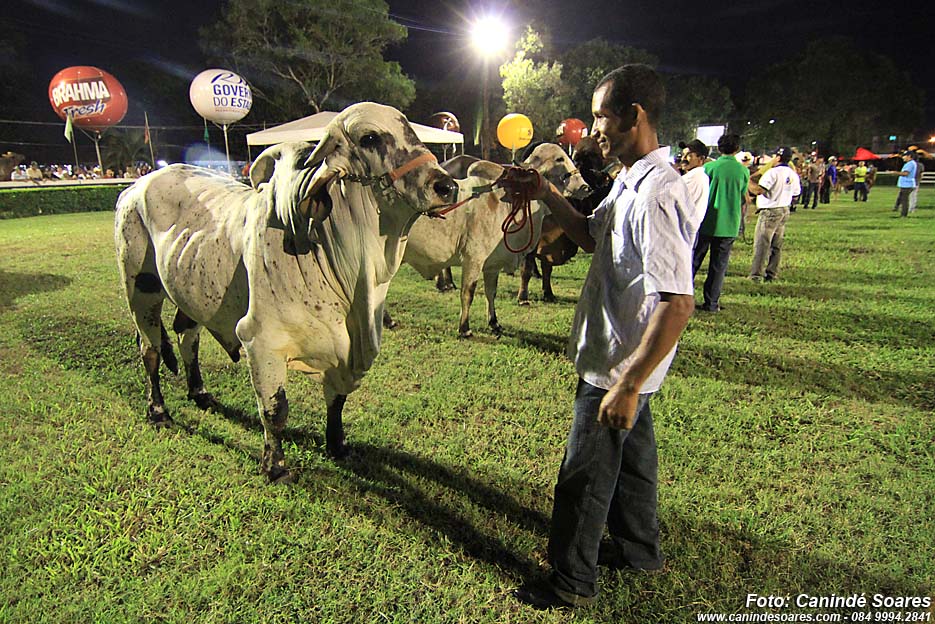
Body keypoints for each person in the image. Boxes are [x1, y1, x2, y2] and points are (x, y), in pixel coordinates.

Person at [510, 63, 696, 610]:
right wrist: (545, 191)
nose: (593, 129)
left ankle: (570, 581)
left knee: (584, 476)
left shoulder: (655, 194)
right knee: (633, 463)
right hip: (622, 358)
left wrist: (628, 384)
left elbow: (679, 302)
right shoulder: (631, 181)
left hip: (618, 364)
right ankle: (639, 549)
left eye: (600, 117)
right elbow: (590, 237)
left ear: (633, 116)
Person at [692, 133, 749, 313]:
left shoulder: (709, 168)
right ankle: (711, 303)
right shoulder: (743, 171)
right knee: (718, 267)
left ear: (718, 148)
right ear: (737, 149)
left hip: (706, 221)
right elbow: (743, 196)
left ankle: (681, 297)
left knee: (693, 262)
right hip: (729, 224)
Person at [747, 147, 801, 282]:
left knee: (762, 243)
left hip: (770, 210)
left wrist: (747, 181)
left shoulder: (772, 173)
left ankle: (756, 275)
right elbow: (796, 194)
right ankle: (772, 273)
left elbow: (759, 190)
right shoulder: (792, 174)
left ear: (778, 157)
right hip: (784, 209)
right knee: (776, 245)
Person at [678, 139, 711, 226]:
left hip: (683, 229)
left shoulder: (694, 178)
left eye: (689, 155)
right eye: (683, 155)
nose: (683, 159)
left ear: (701, 159)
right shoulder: (700, 176)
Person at [893, 151, 918, 217]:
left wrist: (895, 173)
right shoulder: (910, 163)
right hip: (906, 184)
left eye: (904, 156)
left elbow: (906, 173)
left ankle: (903, 214)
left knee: (904, 200)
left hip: (907, 184)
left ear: (909, 156)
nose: (903, 157)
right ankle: (898, 209)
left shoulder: (910, 164)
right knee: (902, 198)